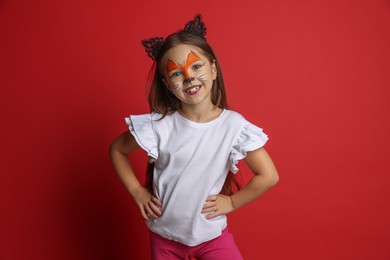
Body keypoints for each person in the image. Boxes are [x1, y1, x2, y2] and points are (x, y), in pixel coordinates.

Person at [109, 14, 279, 260]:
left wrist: (231, 203)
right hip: (164, 239)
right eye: (176, 74)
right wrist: (137, 191)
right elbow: (117, 150)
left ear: (212, 69)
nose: (189, 77)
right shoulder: (159, 125)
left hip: (211, 238)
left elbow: (269, 176)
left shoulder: (233, 126)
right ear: (167, 84)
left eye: (196, 66)